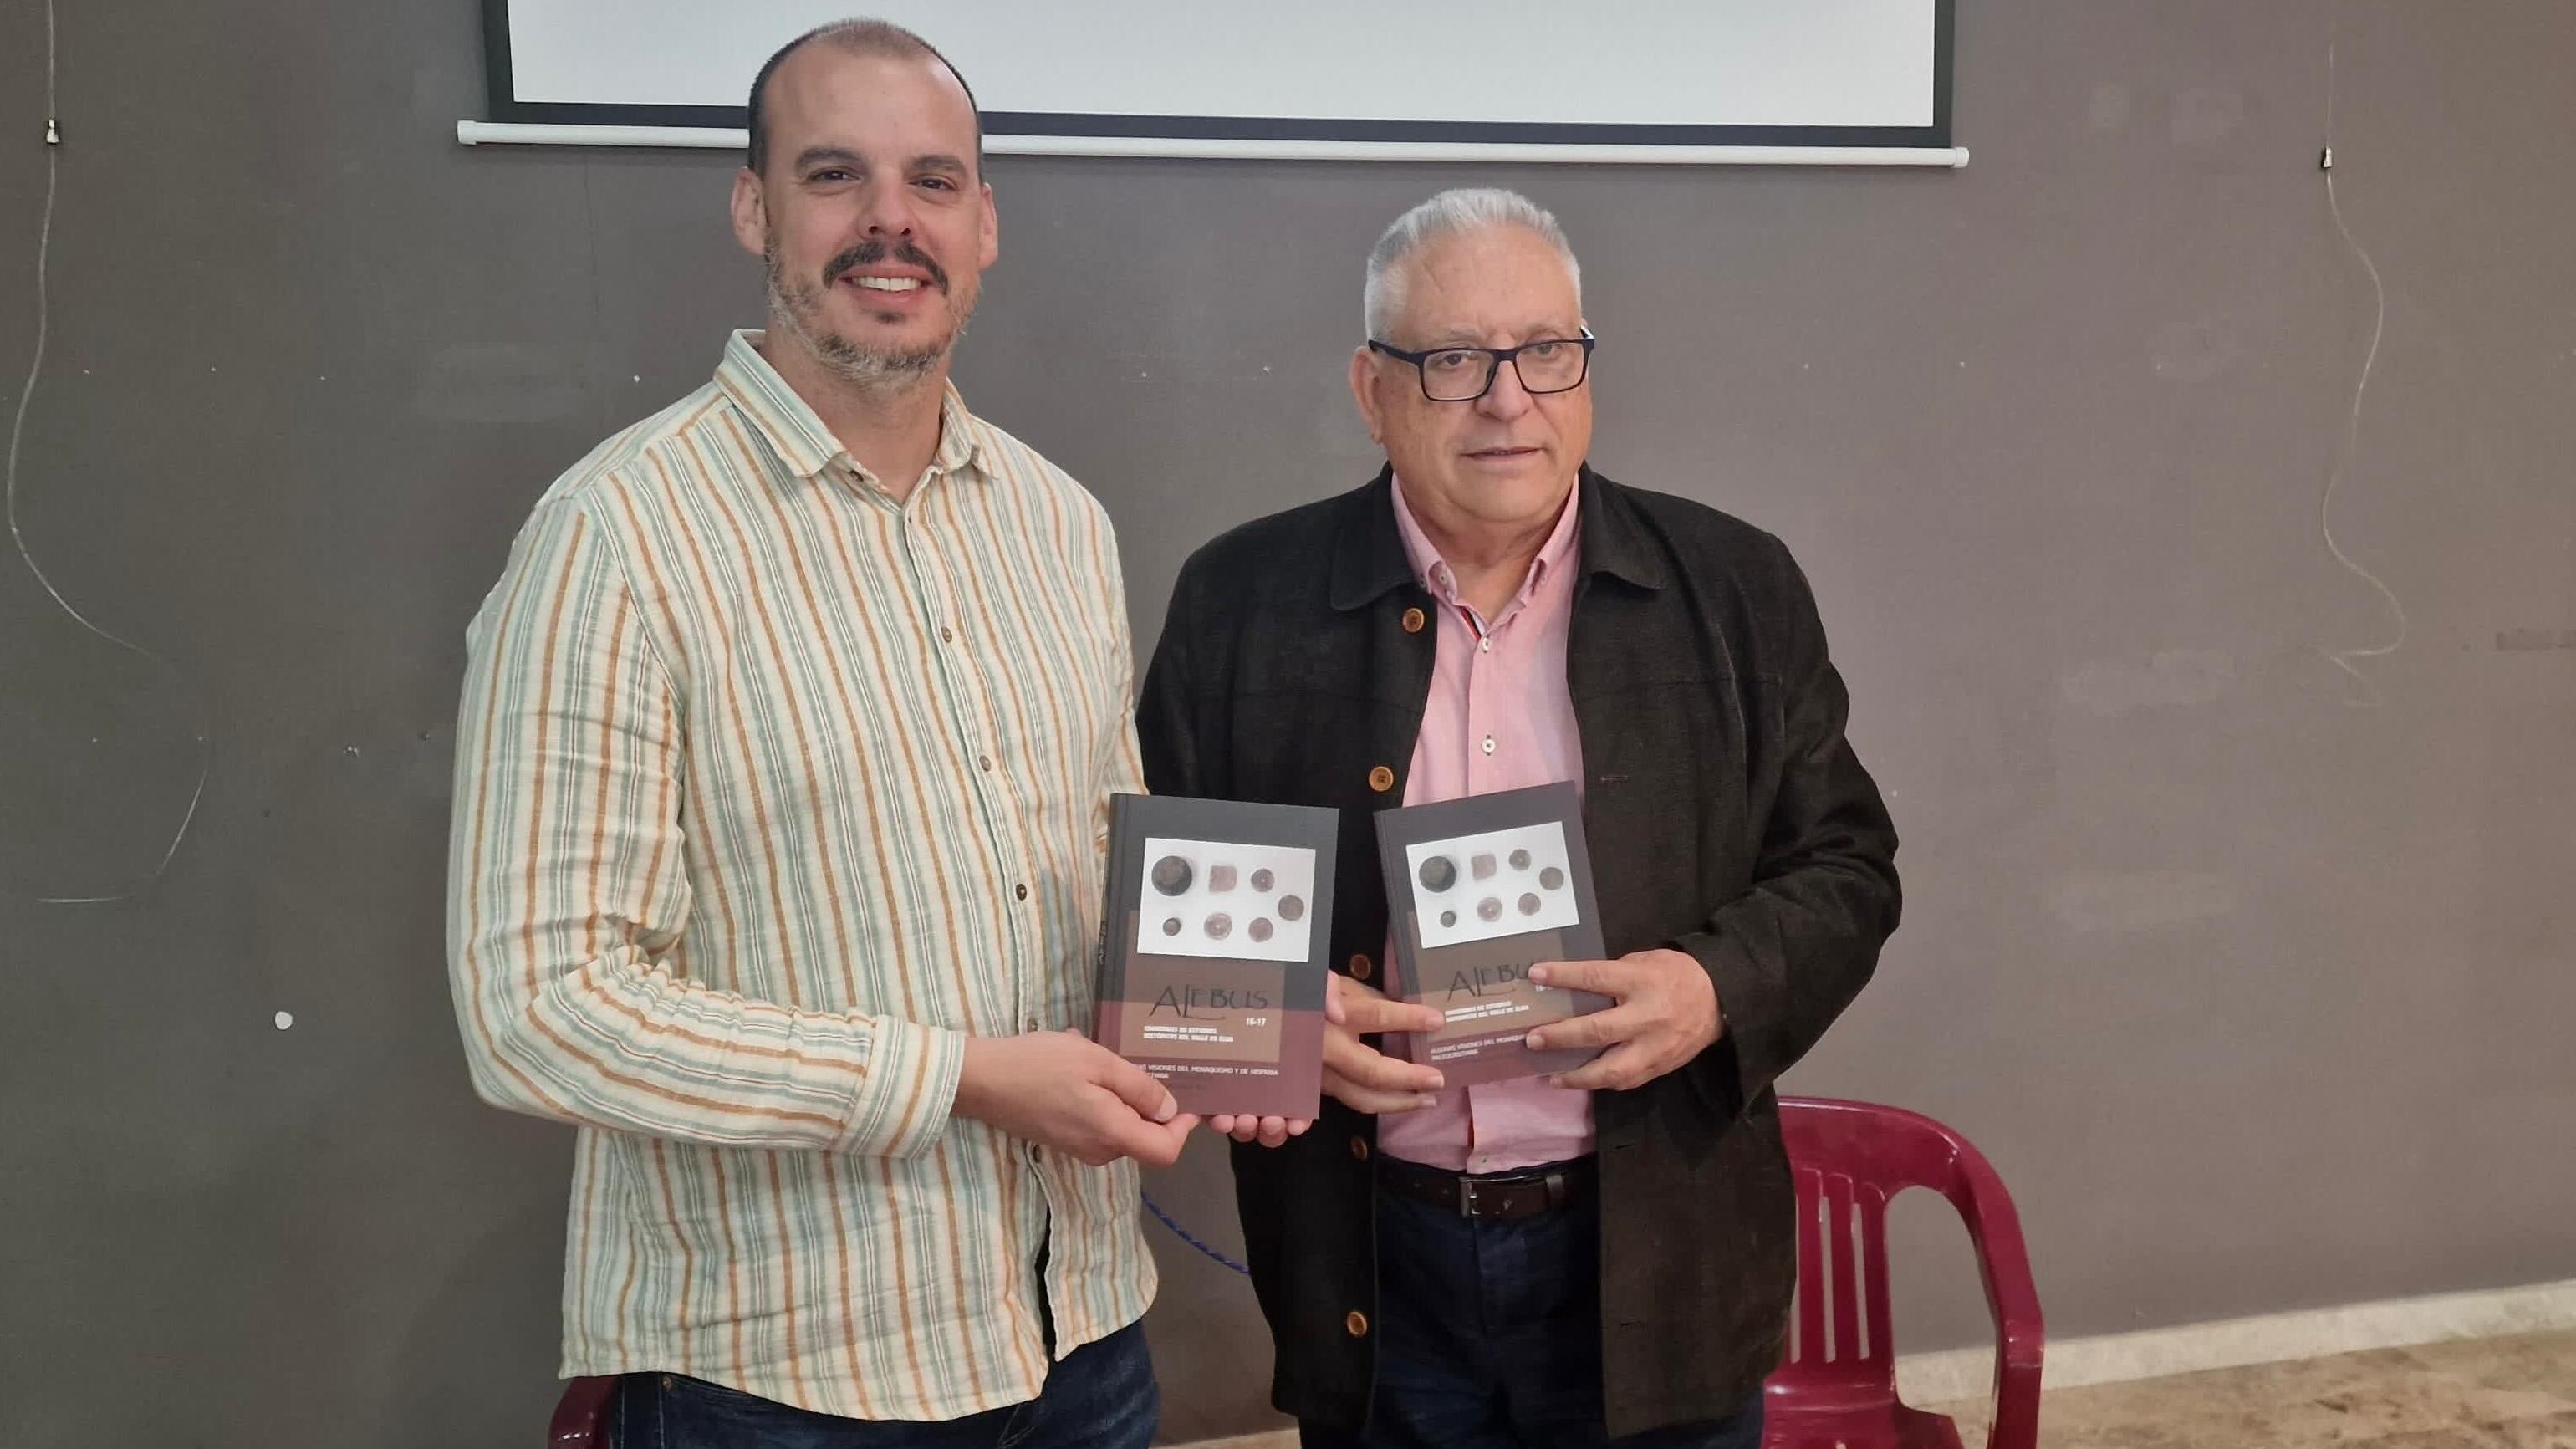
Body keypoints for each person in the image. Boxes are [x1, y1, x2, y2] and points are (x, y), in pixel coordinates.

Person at [446, 19, 1188, 1446]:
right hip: (782, 1378)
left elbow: (1104, 882)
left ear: (985, 224)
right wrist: (954, 1076)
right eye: (836, 175)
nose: (890, 223)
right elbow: (537, 1009)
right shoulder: (617, 539)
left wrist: (1243, 1020)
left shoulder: (1059, 523)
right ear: (754, 208)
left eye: (933, 181)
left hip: (1083, 1337)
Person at [1136, 187, 1902, 1449]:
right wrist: (1269, 1016)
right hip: (1375, 1264)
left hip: (1659, 1248)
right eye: (1452, 359)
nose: (1508, 398)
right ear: (1370, 388)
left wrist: (1712, 988)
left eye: (1545, 351)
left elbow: (1846, 867)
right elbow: (1169, 933)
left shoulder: (1731, 585)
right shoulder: (1241, 601)